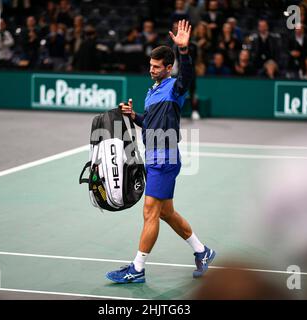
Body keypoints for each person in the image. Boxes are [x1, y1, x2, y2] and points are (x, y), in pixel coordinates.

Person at [106, 20, 216, 284]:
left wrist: (184, 51)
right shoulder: (152, 91)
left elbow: (187, 76)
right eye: (151, 66)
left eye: (157, 67)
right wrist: (135, 116)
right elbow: (151, 121)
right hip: (153, 155)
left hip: (164, 158)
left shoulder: (175, 87)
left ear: (169, 68)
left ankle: (138, 268)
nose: (152, 70)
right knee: (166, 212)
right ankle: (203, 251)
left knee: (150, 212)